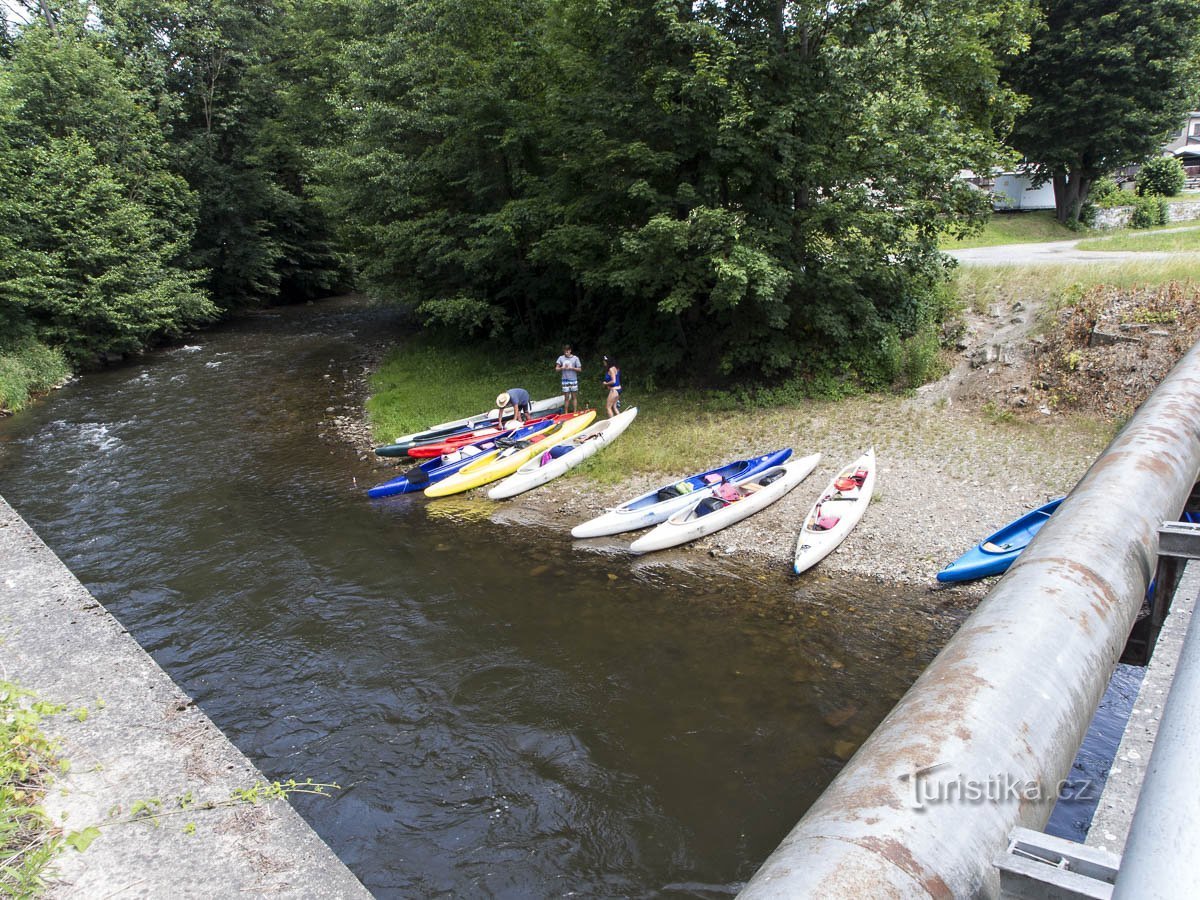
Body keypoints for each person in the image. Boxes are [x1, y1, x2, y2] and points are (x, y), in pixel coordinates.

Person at [555, 344, 582, 413]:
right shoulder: (561, 358)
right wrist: (562, 368)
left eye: (567, 351)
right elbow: (556, 369)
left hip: (573, 380)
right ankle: (566, 412)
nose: (565, 353)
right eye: (564, 352)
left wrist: (572, 368)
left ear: (570, 351)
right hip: (565, 380)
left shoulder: (575, 358)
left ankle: (575, 411)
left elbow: (580, 369)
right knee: (566, 397)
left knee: (574, 397)